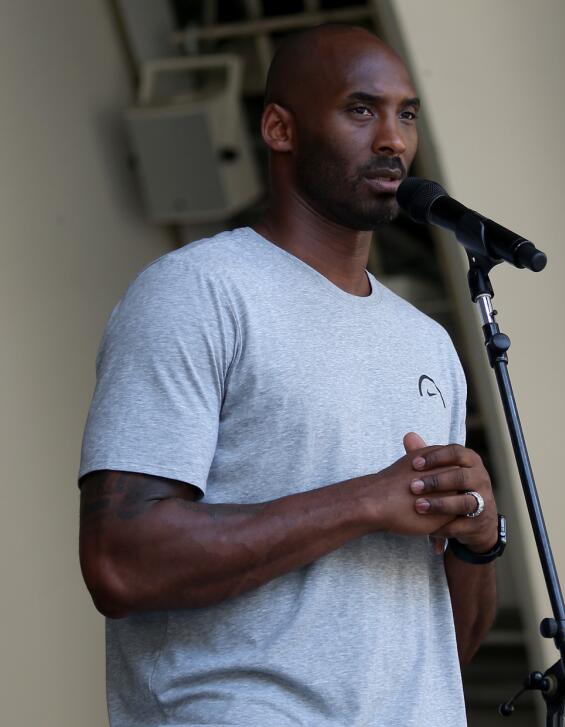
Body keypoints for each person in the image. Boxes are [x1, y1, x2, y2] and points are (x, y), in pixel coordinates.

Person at [77, 25, 502, 726]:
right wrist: (364, 501)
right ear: (279, 127)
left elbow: (444, 649)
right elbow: (121, 562)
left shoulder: (429, 344)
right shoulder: (197, 292)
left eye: (407, 113)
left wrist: (480, 537)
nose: (393, 139)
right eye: (361, 110)